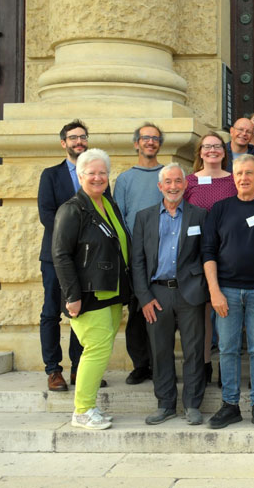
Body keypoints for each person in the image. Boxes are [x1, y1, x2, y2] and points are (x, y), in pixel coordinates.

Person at [202, 154, 254, 431]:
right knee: (227, 349)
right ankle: (230, 405)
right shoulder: (220, 209)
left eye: (249, 173)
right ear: (233, 178)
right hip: (225, 291)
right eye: (239, 174)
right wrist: (214, 291)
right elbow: (208, 251)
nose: (244, 178)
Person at [52, 149, 131, 430]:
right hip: (87, 293)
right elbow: (60, 255)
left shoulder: (107, 204)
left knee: (101, 350)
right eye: (92, 173)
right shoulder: (72, 209)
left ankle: (90, 405)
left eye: (103, 173)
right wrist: (72, 296)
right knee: (95, 350)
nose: (98, 177)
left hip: (109, 290)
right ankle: (82, 411)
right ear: (81, 175)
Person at [131, 163, 207, 425]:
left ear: (186, 185)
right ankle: (165, 404)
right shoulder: (144, 217)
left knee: (194, 351)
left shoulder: (199, 215)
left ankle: (192, 405)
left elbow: (206, 254)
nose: (173, 186)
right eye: (168, 182)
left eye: (178, 181)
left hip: (190, 294)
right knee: (160, 351)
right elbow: (137, 260)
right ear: (160, 186)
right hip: (157, 295)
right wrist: (144, 297)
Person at [38, 120, 89, 392]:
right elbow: (46, 214)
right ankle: (53, 370)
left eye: (82, 137)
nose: (78, 141)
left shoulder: (94, 174)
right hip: (55, 257)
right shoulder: (50, 175)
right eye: (73, 138)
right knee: (51, 313)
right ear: (64, 143)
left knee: (81, 313)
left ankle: (79, 368)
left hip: (85, 259)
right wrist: (73, 238)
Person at [183, 132, 237, 385]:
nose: (212, 150)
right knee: (203, 313)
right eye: (207, 147)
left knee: (226, 311)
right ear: (200, 152)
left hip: (228, 252)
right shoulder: (189, 181)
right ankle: (204, 364)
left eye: (217, 146)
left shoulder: (234, 180)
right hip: (196, 254)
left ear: (224, 152)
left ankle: (226, 366)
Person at [114, 122, 165, 386]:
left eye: (155, 138)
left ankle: (159, 364)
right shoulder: (125, 179)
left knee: (161, 310)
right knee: (136, 313)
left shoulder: (167, 174)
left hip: (165, 254)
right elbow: (119, 219)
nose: (150, 142)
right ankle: (140, 364)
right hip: (135, 255)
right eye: (145, 138)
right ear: (136, 143)